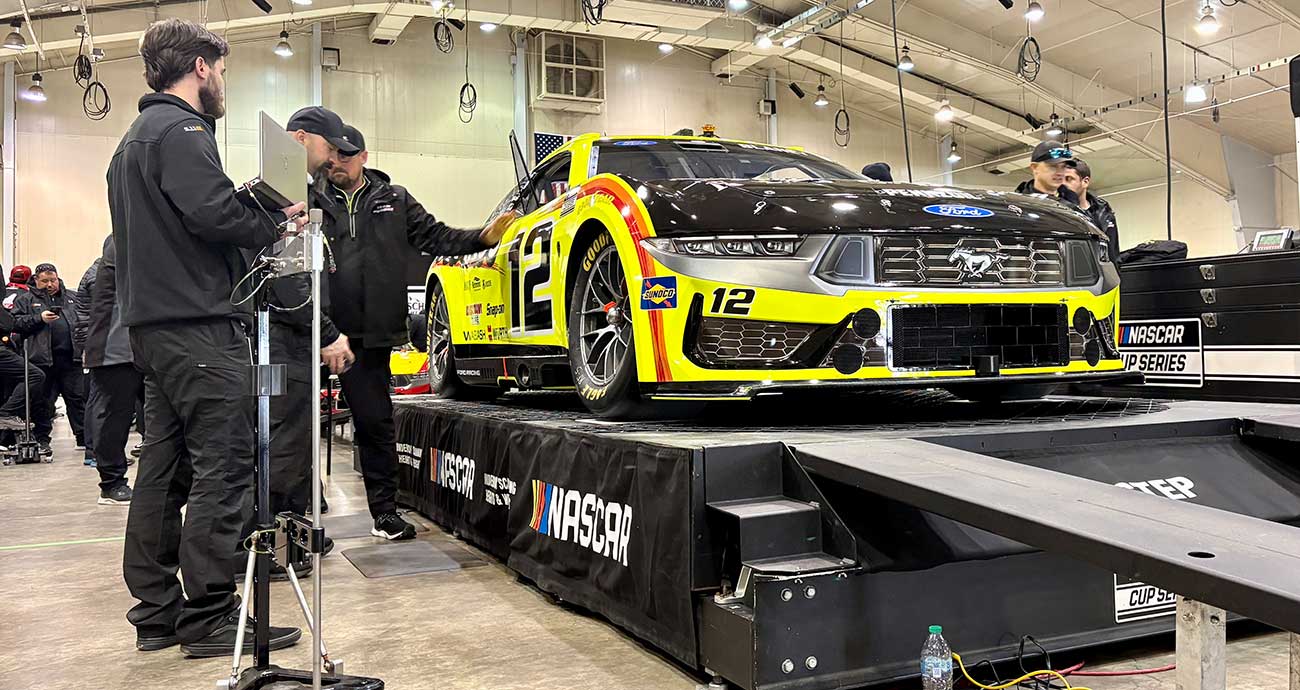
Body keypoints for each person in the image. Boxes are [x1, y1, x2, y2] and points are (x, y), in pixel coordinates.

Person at [107, 17, 306, 657]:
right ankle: (212, 614)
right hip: (197, 328)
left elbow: (186, 218)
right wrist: (275, 218)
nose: (222, 80)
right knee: (225, 466)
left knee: (163, 472)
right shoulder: (183, 131)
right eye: (220, 69)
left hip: (155, 331)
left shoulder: (132, 142)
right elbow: (213, 214)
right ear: (199, 67)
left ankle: (157, 613)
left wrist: (246, 205)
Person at [314, 123, 514, 540]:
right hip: (312, 329)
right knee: (291, 424)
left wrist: (481, 237)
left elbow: (436, 236)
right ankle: (298, 510)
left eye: (345, 155)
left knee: (375, 424)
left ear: (364, 157)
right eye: (331, 154)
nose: (335, 162)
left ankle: (384, 513)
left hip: (368, 337)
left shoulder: (394, 199)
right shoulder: (310, 197)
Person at [83, 236, 140, 506]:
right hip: (113, 349)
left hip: (141, 348)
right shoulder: (121, 240)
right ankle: (111, 482)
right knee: (113, 419)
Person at [11, 264, 87, 456]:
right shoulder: (25, 299)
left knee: (77, 399)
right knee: (43, 403)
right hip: (41, 361)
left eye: (52, 280)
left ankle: (85, 438)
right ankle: (42, 440)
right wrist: (39, 318)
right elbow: (15, 323)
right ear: (36, 280)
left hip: (70, 359)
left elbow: (84, 320)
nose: (50, 284)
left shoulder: (72, 297)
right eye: (44, 281)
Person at [1063, 159, 1120, 261]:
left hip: (1103, 269)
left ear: (1085, 182)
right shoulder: (1058, 212)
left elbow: (1113, 253)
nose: (1063, 184)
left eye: (1069, 179)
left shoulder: (1104, 212)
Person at [76, 256, 100, 468]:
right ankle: (95, 452)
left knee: (97, 397)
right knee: (100, 398)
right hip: (101, 345)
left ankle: (94, 451)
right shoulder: (99, 275)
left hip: (95, 343)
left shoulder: (94, 272)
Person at [1014, 140, 1080, 204]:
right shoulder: (1020, 204)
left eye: (1063, 167)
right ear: (1034, 167)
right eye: (1053, 166)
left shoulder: (1072, 201)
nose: (1060, 173)